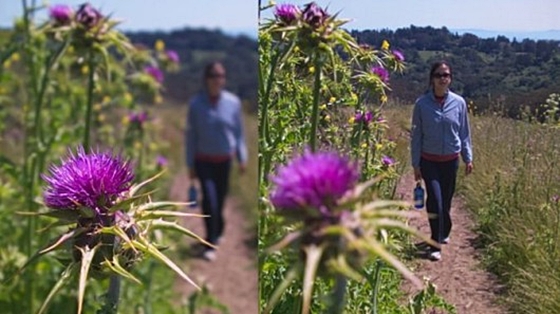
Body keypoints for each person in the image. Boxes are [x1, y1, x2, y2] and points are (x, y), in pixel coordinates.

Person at [410, 61, 473, 261]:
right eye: (438, 75)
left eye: (446, 75)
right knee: (435, 200)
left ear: (450, 78)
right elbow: (416, 136)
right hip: (429, 161)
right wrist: (415, 164)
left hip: (450, 161)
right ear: (432, 79)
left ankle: (445, 230)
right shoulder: (421, 104)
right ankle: (434, 243)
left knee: (445, 202)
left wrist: (468, 157)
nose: (442, 78)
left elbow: (464, 132)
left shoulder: (459, 103)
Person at [185, 61, 248, 261]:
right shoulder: (196, 104)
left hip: (225, 161)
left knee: (219, 201)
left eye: (220, 75)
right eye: (213, 75)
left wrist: (242, 156)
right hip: (203, 161)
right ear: (206, 79)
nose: (217, 79)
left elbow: (238, 133)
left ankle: (219, 229)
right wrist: (190, 164)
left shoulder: (233, 103)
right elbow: (191, 136)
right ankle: (209, 241)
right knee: (209, 200)